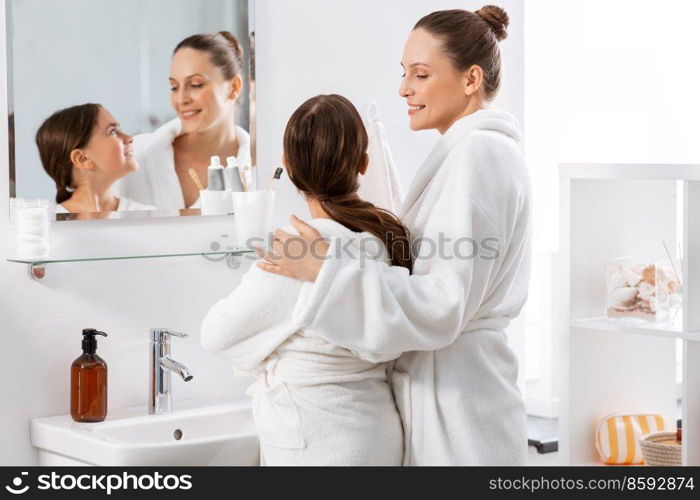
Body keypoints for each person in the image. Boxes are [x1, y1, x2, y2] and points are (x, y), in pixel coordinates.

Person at [257, 6, 532, 465]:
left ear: (471, 80)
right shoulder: (467, 153)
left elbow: (442, 305)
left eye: (421, 75)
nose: (404, 88)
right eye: (405, 73)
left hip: (464, 411)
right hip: (451, 395)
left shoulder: (480, 154)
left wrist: (327, 271)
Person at [200, 95, 407, 465]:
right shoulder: (379, 241)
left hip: (316, 443)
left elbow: (217, 333)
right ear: (363, 162)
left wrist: (271, 348)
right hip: (378, 435)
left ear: (287, 166)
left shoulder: (299, 251)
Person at [116, 31, 251, 210]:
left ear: (234, 87)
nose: (181, 99)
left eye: (195, 85)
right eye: (174, 87)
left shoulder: (260, 169)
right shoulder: (135, 156)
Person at [36, 103, 153, 214]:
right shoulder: (47, 225)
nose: (129, 138)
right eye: (112, 131)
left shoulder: (148, 216)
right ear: (82, 159)